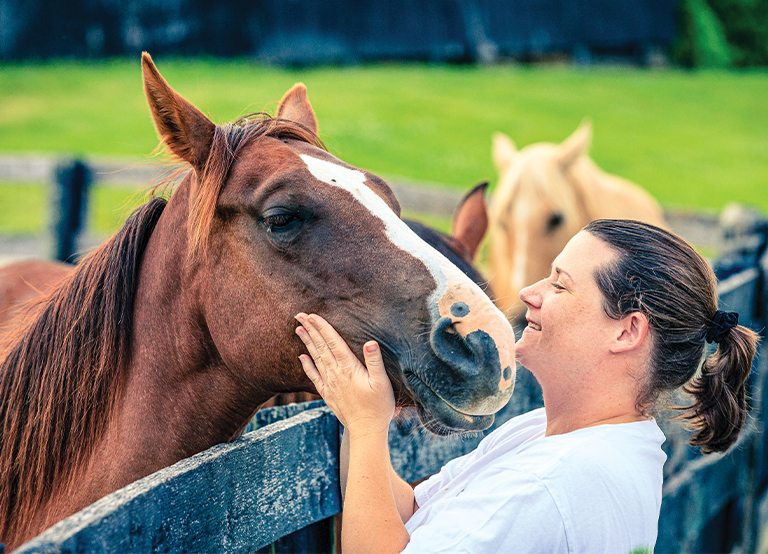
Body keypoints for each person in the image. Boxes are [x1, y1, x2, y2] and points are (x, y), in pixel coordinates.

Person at [294, 219, 758, 554]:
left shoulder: (552, 483)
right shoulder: (553, 433)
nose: (528, 293)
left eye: (560, 285)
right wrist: (360, 418)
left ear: (626, 332)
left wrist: (367, 424)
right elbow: (415, 510)